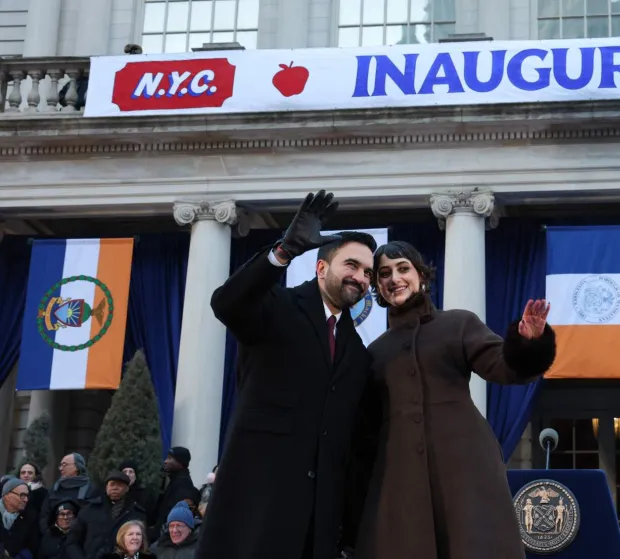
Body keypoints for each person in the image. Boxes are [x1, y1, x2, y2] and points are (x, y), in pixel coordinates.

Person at [197, 190, 377, 559]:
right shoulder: (277, 306)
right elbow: (226, 303)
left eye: (368, 273)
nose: (361, 278)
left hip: (317, 530)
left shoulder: (358, 353)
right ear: (321, 268)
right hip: (256, 513)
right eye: (352, 265)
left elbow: (351, 448)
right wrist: (282, 252)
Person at [349, 240, 556, 559]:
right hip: (400, 479)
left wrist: (527, 341)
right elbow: (365, 431)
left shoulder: (458, 324)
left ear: (421, 275)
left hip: (466, 467)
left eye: (403, 269)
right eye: (384, 273)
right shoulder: (375, 353)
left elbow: (503, 368)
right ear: (377, 285)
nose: (394, 279)